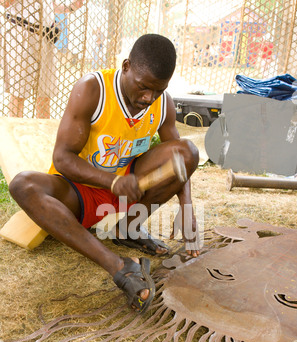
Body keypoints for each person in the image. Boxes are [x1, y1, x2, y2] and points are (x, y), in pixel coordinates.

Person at [9, 34, 200, 314]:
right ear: (126, 67)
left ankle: (129, 228)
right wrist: (112, 181)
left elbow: (180, 161)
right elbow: (62, 158)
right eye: (143, 87)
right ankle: (119, 265)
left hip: (129, 190)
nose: (149, 98)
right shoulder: (92, 90)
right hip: (79, 191)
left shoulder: (162, 103)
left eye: (158, 91)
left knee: (188, 151)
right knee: (23, 185)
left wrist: (187, 207)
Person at [1, 0, 84, 118]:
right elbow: (5, 3)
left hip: (46, 35)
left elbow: (52, 6)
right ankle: (14, 131)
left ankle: (42, 131)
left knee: (44, 95)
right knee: (18, 93)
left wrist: (71, 7)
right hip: (22, 31)